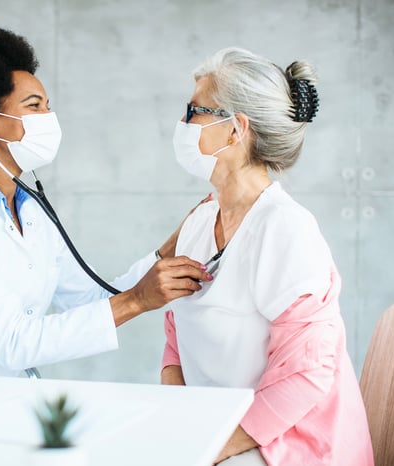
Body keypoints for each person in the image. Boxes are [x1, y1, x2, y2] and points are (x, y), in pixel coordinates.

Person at [0, 26, 211, 376]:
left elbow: (91, 300)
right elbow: (13, 343)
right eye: (34, 106)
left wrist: (166, 253)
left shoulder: (31, 210)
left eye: (48, 107)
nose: (48, 119)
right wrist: (137, 300)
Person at [160, 47, 373, 466]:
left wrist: (205, 451)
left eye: (195, 110)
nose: (182, 123)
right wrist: (181, 427)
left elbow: (305, 375)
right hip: (220, 436)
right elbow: (174, 337)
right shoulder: (200, 221)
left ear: (236, 130)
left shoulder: (285, 230)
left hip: (290, 446)